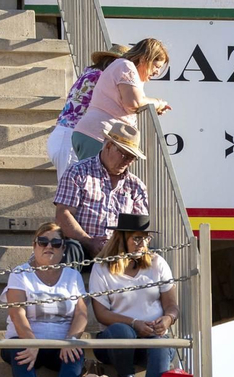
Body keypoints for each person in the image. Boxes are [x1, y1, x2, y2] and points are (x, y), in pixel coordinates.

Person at [88, 212, 176, 377]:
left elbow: (172, 305)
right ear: (122, 239)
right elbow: (101, 314)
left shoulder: (157, 262)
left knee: (161, 346)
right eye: (137, 238)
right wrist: (134, 323)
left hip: (152, 338)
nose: (142, 244)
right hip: (115, 342)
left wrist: (167, 319)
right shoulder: (101, 267)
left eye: (146, 238)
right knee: (123, 331)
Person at [3, 222, 88, 377]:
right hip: (25, 340)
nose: (49, 246)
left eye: (56, 243)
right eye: (43, 241)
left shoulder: (73, 275)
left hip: (60, 345)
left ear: (63, 249)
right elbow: (16, 313)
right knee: (20, 349)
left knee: (76, 351)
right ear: (34, 245)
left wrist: (71, 339)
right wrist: (31, 342)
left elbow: (82, 315)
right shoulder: (20, 273)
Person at [53, 120, 149, 264]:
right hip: (82, 245)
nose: (128, 161)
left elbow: (138, 227)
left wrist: (120, 245)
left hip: (120, 250)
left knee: (150, 257)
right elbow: (63, 213)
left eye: (132, 158)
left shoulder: (136, 186)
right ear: (109, 146)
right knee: (71, 249)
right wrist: (88, 241)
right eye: (125, 155)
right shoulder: (78, 172)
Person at [70, 37, 169, 161]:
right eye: (156, 66)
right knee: (97, 179)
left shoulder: (124, 67)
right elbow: (133, 103)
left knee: (99, 179)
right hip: (97, 135)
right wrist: (158, 103)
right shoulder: (126, 66)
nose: (157, 72)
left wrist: (150, 106)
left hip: (94, 134)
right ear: (144, 59)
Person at [48, 46, 125, 177]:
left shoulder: (90, 75)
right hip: (71, 138)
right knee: (72, 191)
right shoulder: (101, 78)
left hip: (67, 136)